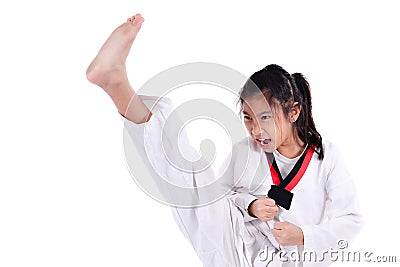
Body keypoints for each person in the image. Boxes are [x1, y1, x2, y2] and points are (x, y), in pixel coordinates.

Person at [86, 13, 363, 266]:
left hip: (292, 260)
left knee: (198, 189)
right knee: (196, 180)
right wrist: (251, 206)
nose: (256, 130)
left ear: (293, 112)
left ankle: (116, 82)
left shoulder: (326, 158)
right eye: (248, 118)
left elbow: (350, 221)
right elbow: (223, 197)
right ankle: (116, 83)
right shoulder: (246, 151)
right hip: (241, 247)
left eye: (265, 118)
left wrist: (303, 236)